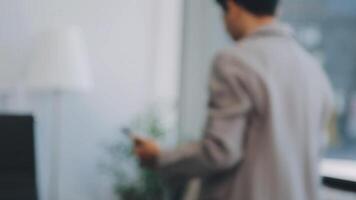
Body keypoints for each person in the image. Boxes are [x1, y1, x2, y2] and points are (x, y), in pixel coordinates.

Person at [134, 0, 335, 199]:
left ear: (233, 7)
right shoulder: (314, 70)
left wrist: (159, 157)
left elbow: (220, 151)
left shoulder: (235, 61)